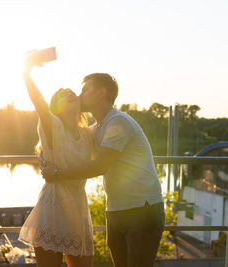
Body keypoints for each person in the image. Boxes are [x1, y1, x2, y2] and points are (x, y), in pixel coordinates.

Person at [41, 73, 165, 267]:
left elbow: (100, 166)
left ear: (101, 93)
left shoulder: (118, 122)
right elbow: (69, 136)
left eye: (85, 90)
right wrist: (47, 155)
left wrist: (57, 174)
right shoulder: (96, 128)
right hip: (116, 211)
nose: (80, 95)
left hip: (142, 210)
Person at [18, 52, 94, 267]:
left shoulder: (89, 134)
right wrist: (26, 72)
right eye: (62, 94)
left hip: (79, 211)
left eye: (72, 93)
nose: (68, 94)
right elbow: (39, 104)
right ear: (56, 107)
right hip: (53, 211)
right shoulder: (53, 126)